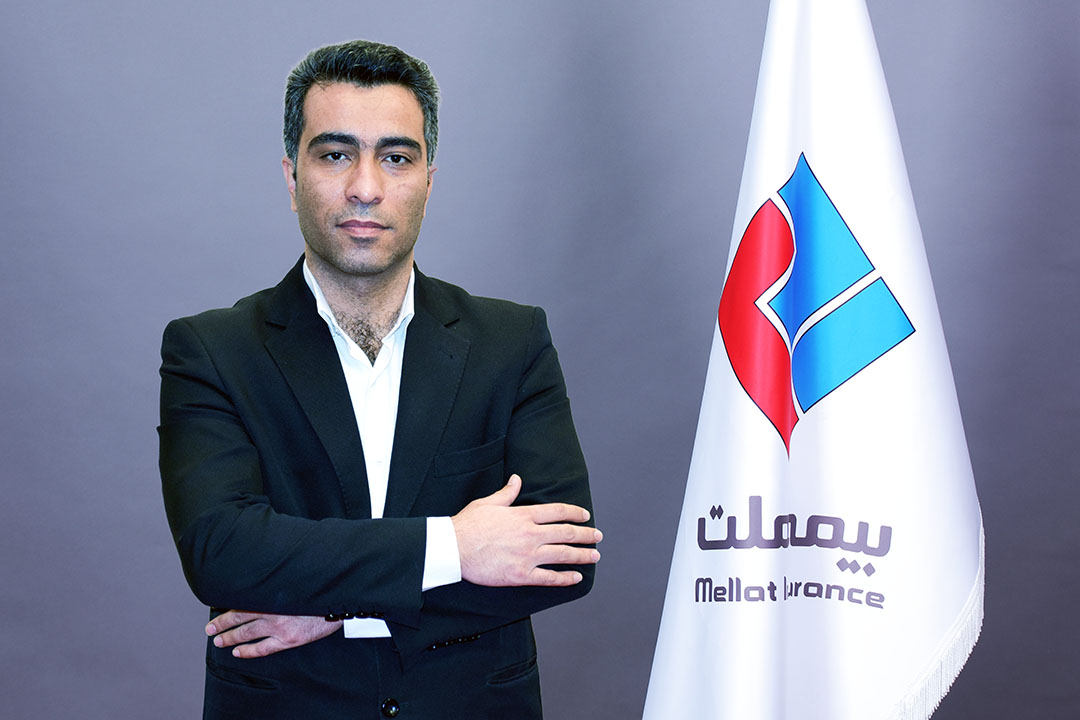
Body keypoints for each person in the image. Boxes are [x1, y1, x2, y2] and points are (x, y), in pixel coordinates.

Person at [158, 39, 599, 719]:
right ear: (291, 176)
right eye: (336, 154)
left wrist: (337, 609)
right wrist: (456, 546)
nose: (366, 187)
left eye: (396, 157)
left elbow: (563, 556)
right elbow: (224, 552)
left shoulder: (513, 342)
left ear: (428, 180)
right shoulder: (212, 350)